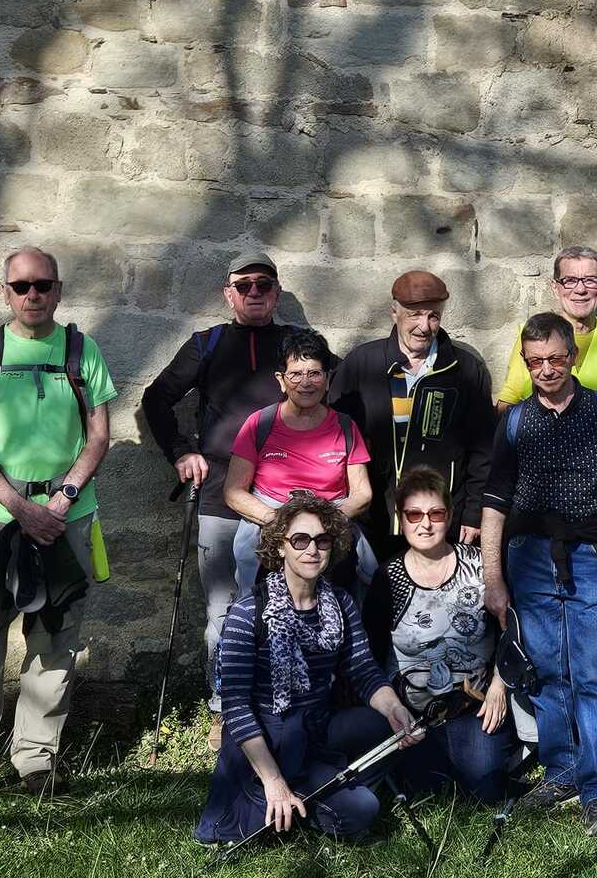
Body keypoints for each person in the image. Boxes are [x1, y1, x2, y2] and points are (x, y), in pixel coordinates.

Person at [0, 247, 118, 802]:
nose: (32, 295)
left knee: (55, 638)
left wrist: (61, 501)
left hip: (68, 517)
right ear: (5, 292)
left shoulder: (82, 350)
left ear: (58, 290)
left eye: (43, 285)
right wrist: (22, 507)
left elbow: (98, 436)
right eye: (21, 286)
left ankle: (37, 759)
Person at [481, 312, 597, 836]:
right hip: (529, 556)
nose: (547, 370)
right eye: (536, 362)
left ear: (572, 356)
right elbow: (495, 501)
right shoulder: (514, 421)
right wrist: (493, 578)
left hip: (593, 555)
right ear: (526, 363)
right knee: (547, 671)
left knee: (593, 673)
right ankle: (560, 772)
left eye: (556, 358)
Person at [195, 494, 420, 844]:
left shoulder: (340, 603)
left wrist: (394, 708)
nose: (312, 549)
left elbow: (363, 670)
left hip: (317, 727)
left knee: (385, 729)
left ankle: (314, 797)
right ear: (280, 546)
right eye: (300, 540)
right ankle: (293, 798)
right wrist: (273, 781)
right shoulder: (249, 612)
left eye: (322, 540)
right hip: (265, 735)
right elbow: (236, 707)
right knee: (356, 810)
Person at [142, 250, 293, 752]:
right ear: (229, 294)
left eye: (263, 285)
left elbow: (332, 394)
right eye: (243, 286)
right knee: (223, 611)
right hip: (220, 495)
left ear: (276, 293)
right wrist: (181, 452)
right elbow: (156, 398)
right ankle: (224, 709)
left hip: (282, 496)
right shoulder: (206, 343)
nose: (254, 293)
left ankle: (279, 704)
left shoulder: (295, 344)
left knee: (287, 606)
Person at [354, 468, 512, 803]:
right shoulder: (387, 578)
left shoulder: (481, 565)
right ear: (401, 518)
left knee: (485, 789)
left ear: (450, 516)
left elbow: (509, 628)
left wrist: (500, 685)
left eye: (436, 514)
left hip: (475, 704)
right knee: (427, 792)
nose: (425, 524)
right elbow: (370, 654)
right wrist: (391, 709)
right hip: (412, 713)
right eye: (414, 514)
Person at [329, 270, 495, 560]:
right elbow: (334, 438)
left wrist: (474, 511)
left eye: (433, 316)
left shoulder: (465, 369)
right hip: (376, 518)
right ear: (394, 312)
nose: (424, 326)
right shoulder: (361, 364)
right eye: (415, 315)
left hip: (441, 519)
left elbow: (483, 449)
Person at [225, 329, 372, 599]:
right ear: (281, 380)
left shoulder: (345, 427)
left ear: (327, 379)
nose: (306, 383)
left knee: (349, 596)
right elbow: (234, 492)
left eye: (314, 373)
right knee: (262, 605)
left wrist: (326, 523)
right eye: (295, 374)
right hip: (271, 532)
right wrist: (280, 522)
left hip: (330, 532)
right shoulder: (259, 424)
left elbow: (362, 493)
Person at [495, 246, 597, 411]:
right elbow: (507, 402)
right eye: (570, 281)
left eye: (590, 280)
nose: (580, 290)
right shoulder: (530, 336)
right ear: (555, 288)